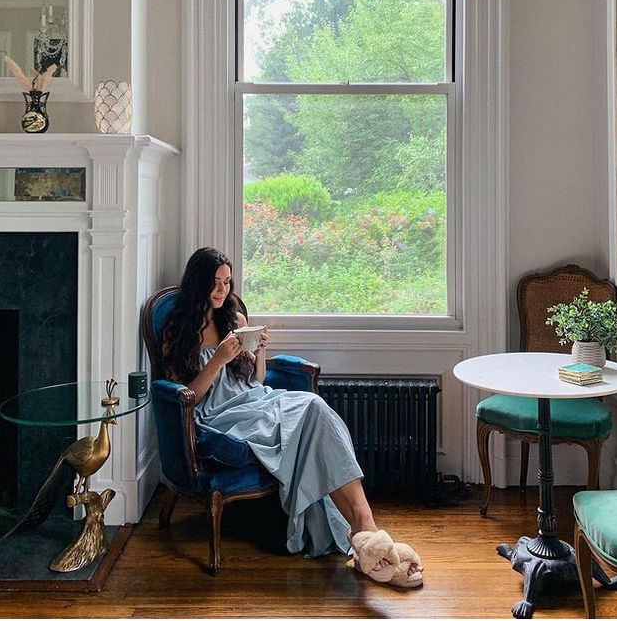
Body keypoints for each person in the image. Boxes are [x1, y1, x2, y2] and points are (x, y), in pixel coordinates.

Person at [162, 246, 424, 588]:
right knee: (312, 412)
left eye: (227, 282)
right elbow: (188, 398)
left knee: (314, 409)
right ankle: (367, 536)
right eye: (214, 283)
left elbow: (255, 382)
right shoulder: (178, 330)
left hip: (254, 400)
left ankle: (365, 529)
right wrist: (218, 360)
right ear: (197, 283)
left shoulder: (234, 319)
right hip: (219, 415)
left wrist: (259, 350)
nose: (222, 291)